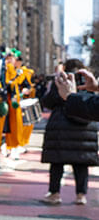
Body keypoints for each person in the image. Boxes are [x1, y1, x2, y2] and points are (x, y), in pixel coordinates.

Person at [40, 59, 98, 206]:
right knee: (81, 163)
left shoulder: (62, 81)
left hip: (61, 127)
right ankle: (81, 195)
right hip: (84, 128)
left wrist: (67, 95)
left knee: (57, 162)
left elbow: (48, 102)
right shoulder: (87, 82)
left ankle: (55, 193)